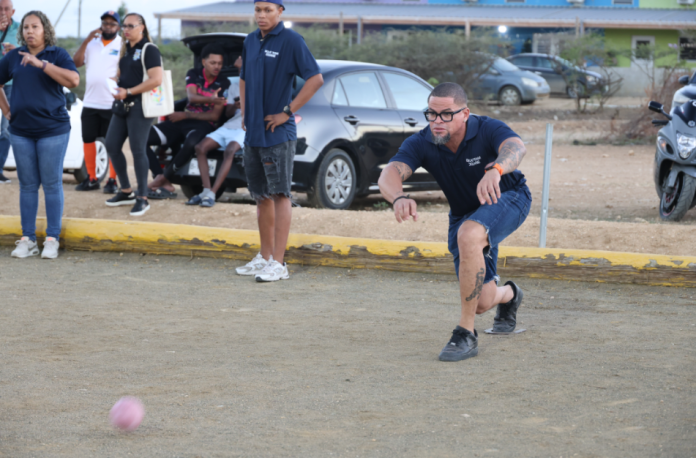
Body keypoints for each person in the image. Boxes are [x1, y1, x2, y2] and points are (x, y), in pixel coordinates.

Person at [378, 83, 532, 362]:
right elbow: (390, 173)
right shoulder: (422, 142)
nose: (437, 121)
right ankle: (510, 295)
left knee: (468, 234)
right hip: (465, 214)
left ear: (465, 114)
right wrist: (398, 196)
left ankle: (465, 334)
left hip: (509, 197)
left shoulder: (486, 128)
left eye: (446, 114)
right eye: (431, 113)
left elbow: (516, 147)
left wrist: (496, 169)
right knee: (482, 302)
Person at [235, 0, 324, 282]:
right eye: (258, 10)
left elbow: (316, 79)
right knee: (261, 196)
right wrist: (245, 112)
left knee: (280, 194)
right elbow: (243, 79)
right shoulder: (250, 40)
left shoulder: (292, 41)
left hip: (278, 134)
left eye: (268, 10)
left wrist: (287, 112)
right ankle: (264, 258)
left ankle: (279, 263)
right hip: (254, 133)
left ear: (280, 11)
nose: (261, 15)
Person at [0, 11, 80, 259]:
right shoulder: (14, 56)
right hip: (21, 131)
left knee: (52, 184)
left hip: (52, 130)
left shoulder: (57, 54)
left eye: (35, 27)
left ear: (45, 29)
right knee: (27, 185)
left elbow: (73, 80)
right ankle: (28, 239)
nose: (29, 31)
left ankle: (52, 239)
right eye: (26, 27)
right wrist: (6, 110)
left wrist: (41, 64)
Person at [146, 43, 229, 199]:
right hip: (183, 120)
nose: (217, 66)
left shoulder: (224, 82)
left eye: (220, 63)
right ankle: (159, 176)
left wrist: (185, 115)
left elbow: (214, 117)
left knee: (191, 143)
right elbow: (192, 97)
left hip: (204, 124)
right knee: (142, 138)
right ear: (203, 62)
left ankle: (165, 177)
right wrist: (210, 100)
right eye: (213, 63)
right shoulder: (193, 73)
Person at [104, 12, 162, 216]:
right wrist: (115, 81)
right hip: (123, 105)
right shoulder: (126, 49)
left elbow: (156, 79)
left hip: (140, 106)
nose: (126, 30)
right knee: (112, 145)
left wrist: (128, 91)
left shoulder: (149, 49)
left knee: (138, 150)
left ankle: (142, 198)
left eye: (131, 26)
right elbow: (127, 75)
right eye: (124, 26)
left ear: (142, 27)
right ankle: (126, 191)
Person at [72, 10, 121, 193]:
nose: (108, 27)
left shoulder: (122, 44)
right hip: (90, 101)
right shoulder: (91, 44)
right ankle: (91, 179)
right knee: (88, 139)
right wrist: (86, 40)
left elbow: (126, 69)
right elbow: (76, 63)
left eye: (112, 24)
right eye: (105, 23)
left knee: (113, 142)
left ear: (118, 27)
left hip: (111, 102)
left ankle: (112, 180)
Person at [186, 56, 244, 207]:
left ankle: (212, 193)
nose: (240, 71)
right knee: (200, 148)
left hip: (246, 128)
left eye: (242, 67)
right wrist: (235, 106)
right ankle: (206, 190)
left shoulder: (260, 86)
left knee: (230, 150)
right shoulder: (234, 87)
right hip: (230, 125)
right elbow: (228, 113)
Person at [0, 0, 18, 184]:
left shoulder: (21, 29)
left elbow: (30, 53)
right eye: (0, 9)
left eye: (6, 9)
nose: (3, 12)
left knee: (6, 130)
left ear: (13, 11)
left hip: (12, 84)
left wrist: (17, 51)